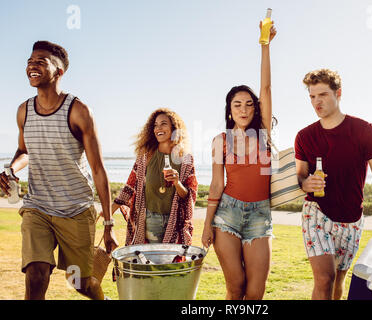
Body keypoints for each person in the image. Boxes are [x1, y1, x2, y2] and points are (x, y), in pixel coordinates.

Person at [0, 41, 118, 300]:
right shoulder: (24, 111)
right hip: (38, 207)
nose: (32, 65)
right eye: (30, 61)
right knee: (36, 273)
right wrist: (11, 170)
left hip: (76, 209)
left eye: (41, 61)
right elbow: (25, 151)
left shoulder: (78, 111)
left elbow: (98, 169)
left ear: (59, 71)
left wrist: (109, 224)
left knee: (80, 283)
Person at [294, 68, 372, 300]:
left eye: (322, 95)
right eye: (312, 97)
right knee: (324, 279)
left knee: (337, 282)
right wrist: (306, 185)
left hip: (352, 219)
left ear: (338, 93)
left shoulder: (364, 131)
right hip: (317, 214)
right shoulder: (304, 136)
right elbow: (300, 176)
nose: (317, 102)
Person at [201, 21, 277, 300]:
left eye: (249, 104)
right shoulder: (220, 140)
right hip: (227, 215)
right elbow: (216, 186)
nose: (244, 109)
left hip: (260, 215)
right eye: (237, 104)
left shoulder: (263, 132)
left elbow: (266, 88)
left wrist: (265, 45)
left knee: (255, 293)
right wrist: (207, 224)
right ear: (229, 111)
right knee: (236, 289)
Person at [109, 108, 198, 246]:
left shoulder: (186, 159)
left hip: (176, 221)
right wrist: (110, 210)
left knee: (171, 265)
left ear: (174, 128)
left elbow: (189, 195)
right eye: (155, 125)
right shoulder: (145, 156)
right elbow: (130, 185)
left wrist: (177, 182)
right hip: (150, 220)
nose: (158, 128)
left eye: (163, 124)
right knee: (151, 262)